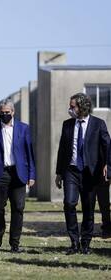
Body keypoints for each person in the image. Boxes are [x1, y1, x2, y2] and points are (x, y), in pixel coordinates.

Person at [55, 93, 109, 255]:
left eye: (73, 107)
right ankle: (74, 242)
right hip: (71, 170)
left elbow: (107, 146)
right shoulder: (67, 124)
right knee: (69, 203)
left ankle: (86, 243)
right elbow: (62, 150)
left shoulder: (98, 124)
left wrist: (107, 165)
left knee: (88, 208)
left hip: (90, 172)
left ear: (82, 107)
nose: (69, 109)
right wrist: (59, 173)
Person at [0, 98, 35, 253]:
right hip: (0, 173)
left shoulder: (24, 128)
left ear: (13, 112)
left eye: (7, 112)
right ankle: (0, 232)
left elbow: (29, 153)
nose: (4, 115)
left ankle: (15, 243)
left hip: (19, 173)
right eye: (2, 113)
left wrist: (31, 175)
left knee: (18, 208)